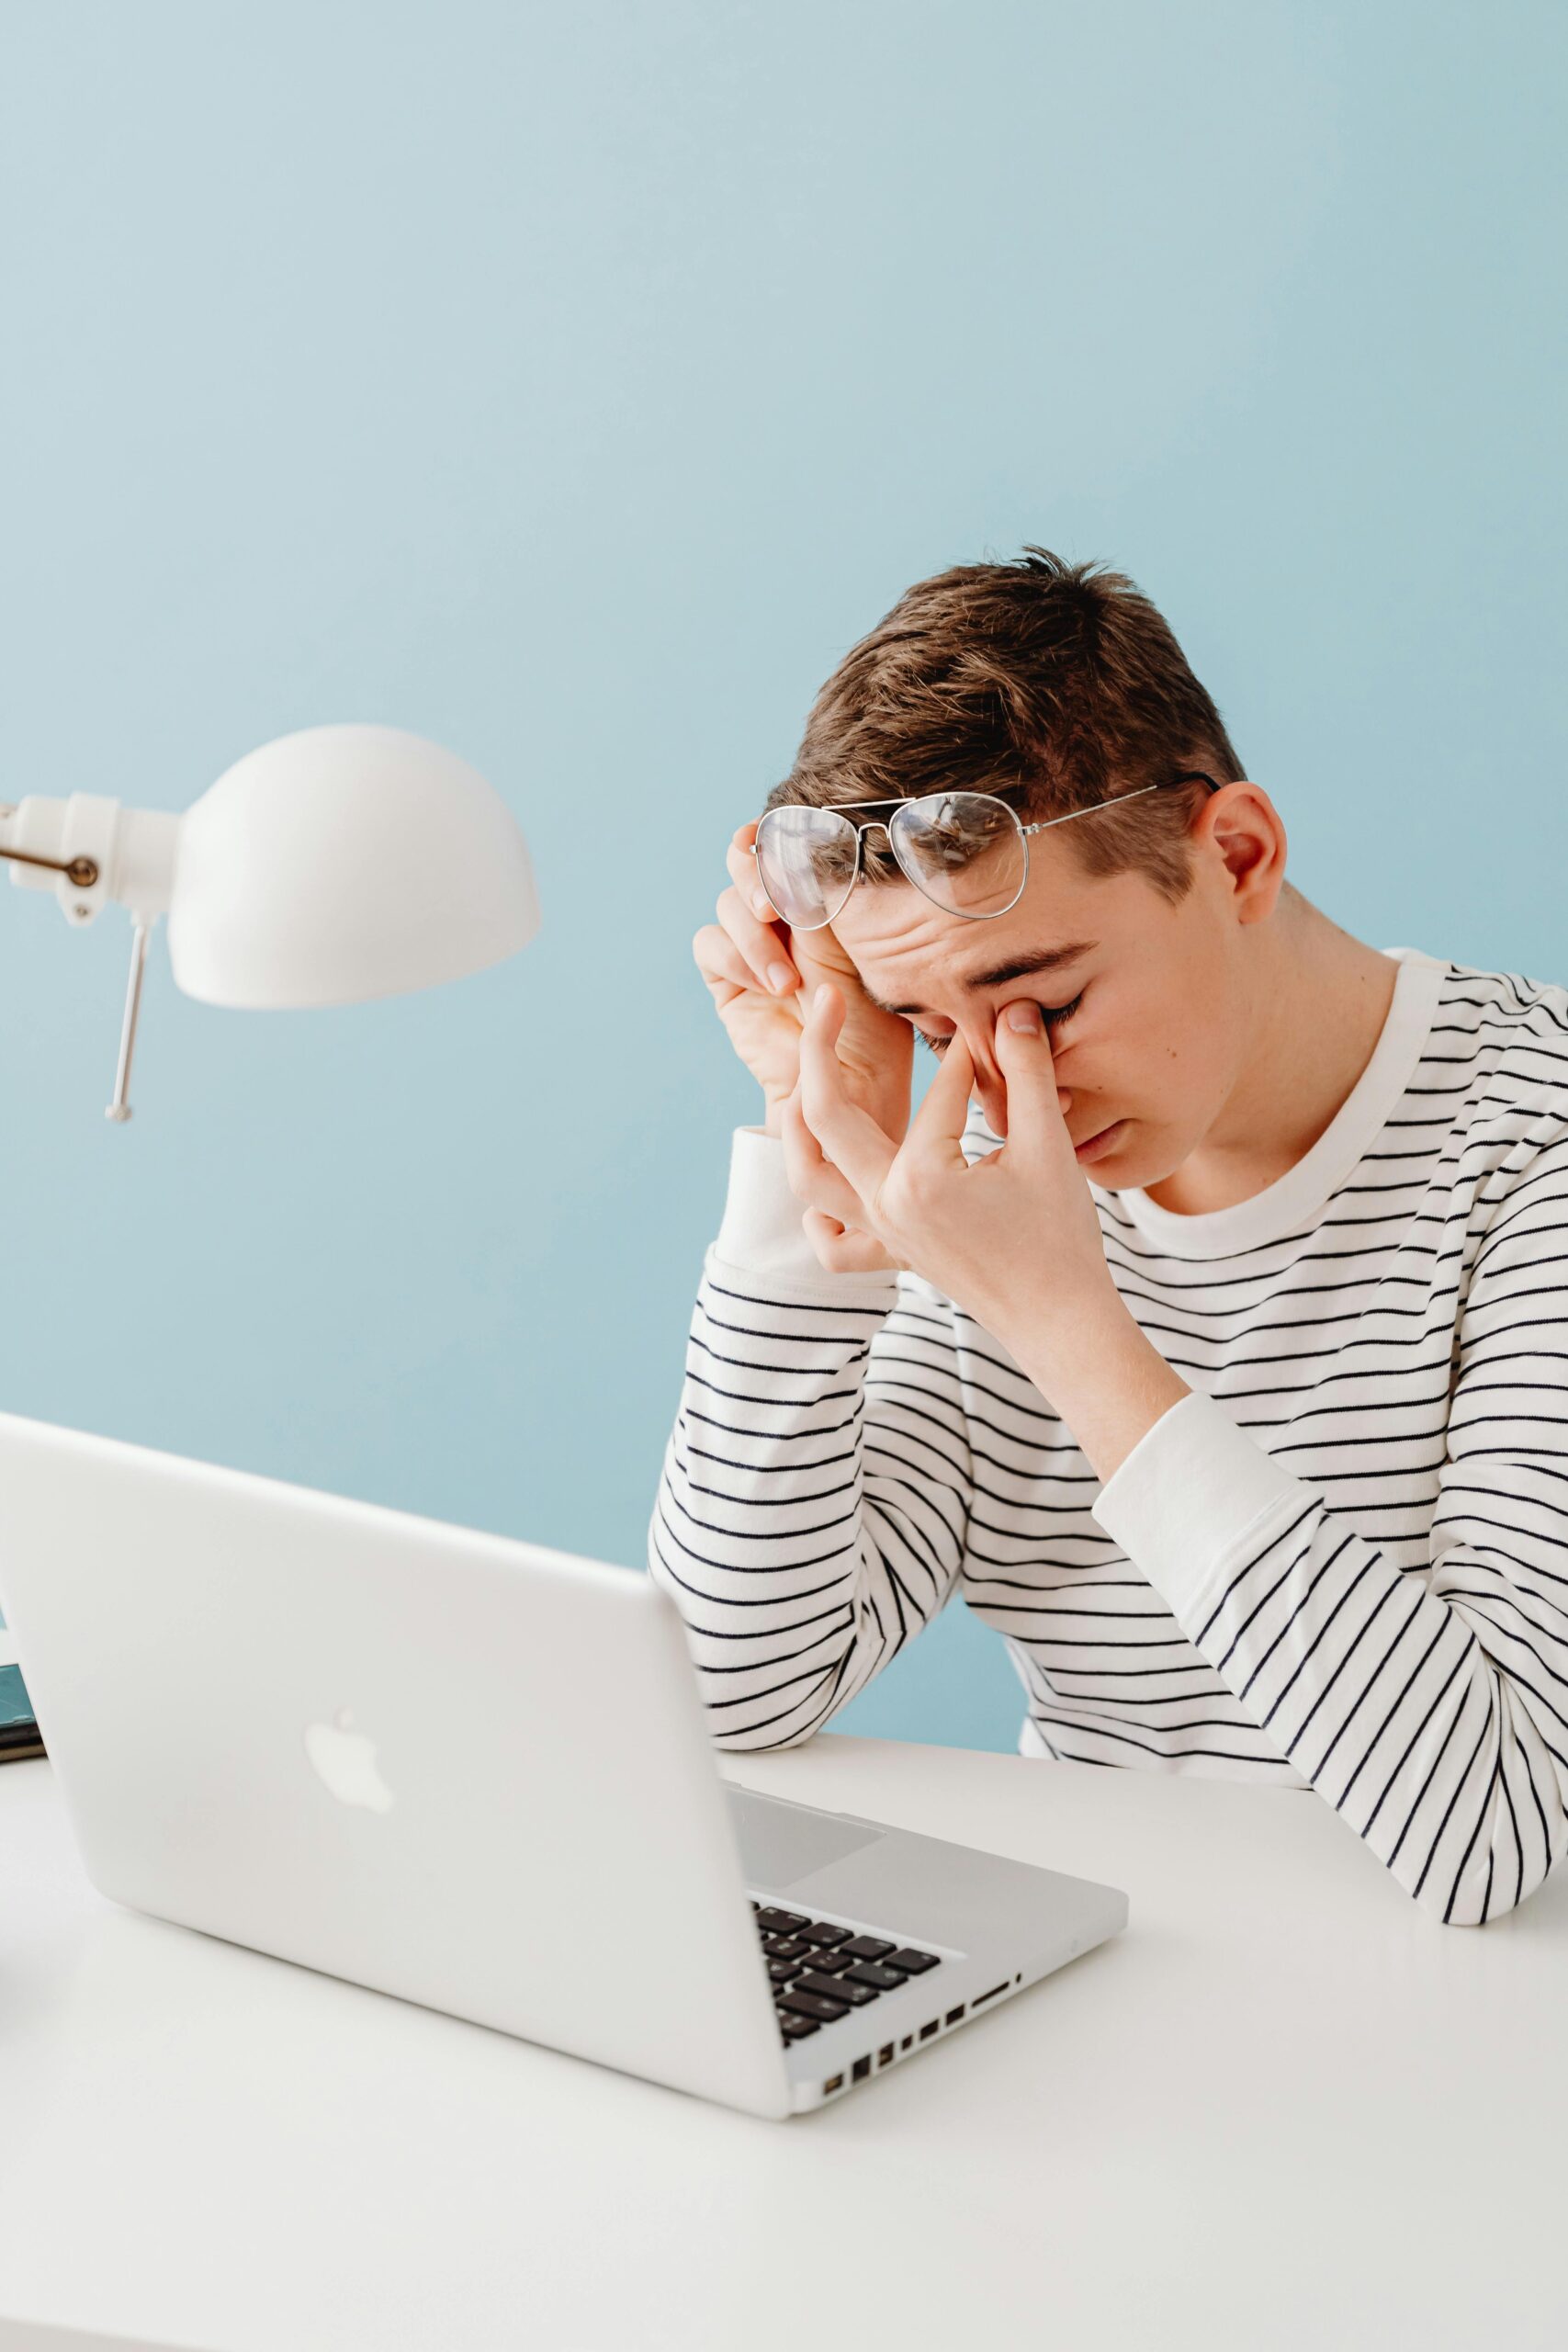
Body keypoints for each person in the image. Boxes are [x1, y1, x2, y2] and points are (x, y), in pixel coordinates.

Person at [649, 548, 1568, 1926]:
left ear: (1238, 857)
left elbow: (1489, 1834)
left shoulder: (1531, 1152)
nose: (993, 1082)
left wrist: (1072, 1331)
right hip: (1117, 1999)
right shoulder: (979, 1182)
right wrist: (813, 1141)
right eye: (922, 1026)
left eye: (1043, 1003)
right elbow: (729, 1689)